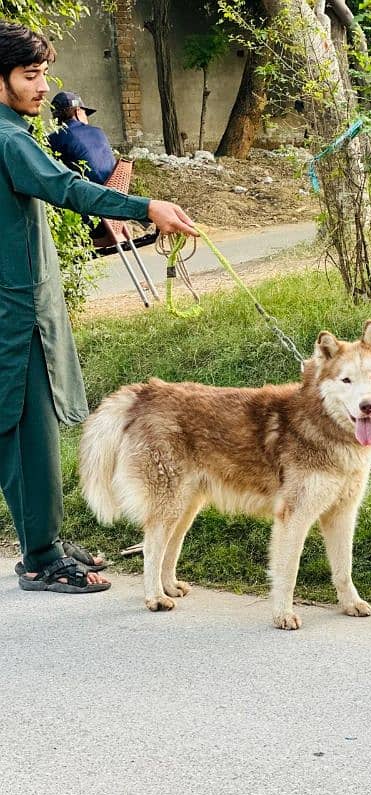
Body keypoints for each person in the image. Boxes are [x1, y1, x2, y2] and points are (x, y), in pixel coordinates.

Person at [0, 21, 198, 595]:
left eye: (42, 74)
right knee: (26, 433)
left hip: (19, 301)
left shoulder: (13, 127)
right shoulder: (8, 137)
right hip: (13, 313)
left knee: (20, 429)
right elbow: (68, 188)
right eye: (30, 76)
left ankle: (44, 539)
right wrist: (146, 206)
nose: (43, 88)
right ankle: (40, 557)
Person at [48, 90, 116, 185]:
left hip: (85, 192)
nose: (86, 118)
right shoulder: (98, 132)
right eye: (85, 113)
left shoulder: (54, 138)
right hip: (114, 187)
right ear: (78, 112)